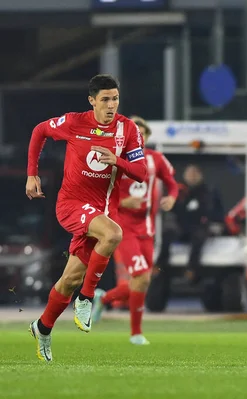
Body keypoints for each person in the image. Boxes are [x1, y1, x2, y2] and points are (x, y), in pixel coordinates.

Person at [25, 74, 147, 362]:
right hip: (72, 204)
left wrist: (116, 160)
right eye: (105, 99)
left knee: (69, 279)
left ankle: (42, 328)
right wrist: (32, 173)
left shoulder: (127, 129)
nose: (111, 105)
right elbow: (39, 131)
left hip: (102, 213)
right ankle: (88, 297)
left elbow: (141, 173)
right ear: (92, 101)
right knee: (113, 234)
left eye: (115, 98)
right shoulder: (73, 122)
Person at [92, 115, 179, 345]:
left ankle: (104, 298)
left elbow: (171, 182)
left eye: (142, 134)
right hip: (124, 229)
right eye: (134, 134)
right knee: (140, 277)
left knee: (142, 281)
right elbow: (100, 195)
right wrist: (123, 202)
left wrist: (172, 197)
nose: (138, 138)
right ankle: (135, 333)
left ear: (147, 137)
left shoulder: (155, 159)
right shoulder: (115, 159)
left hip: (148, 230)